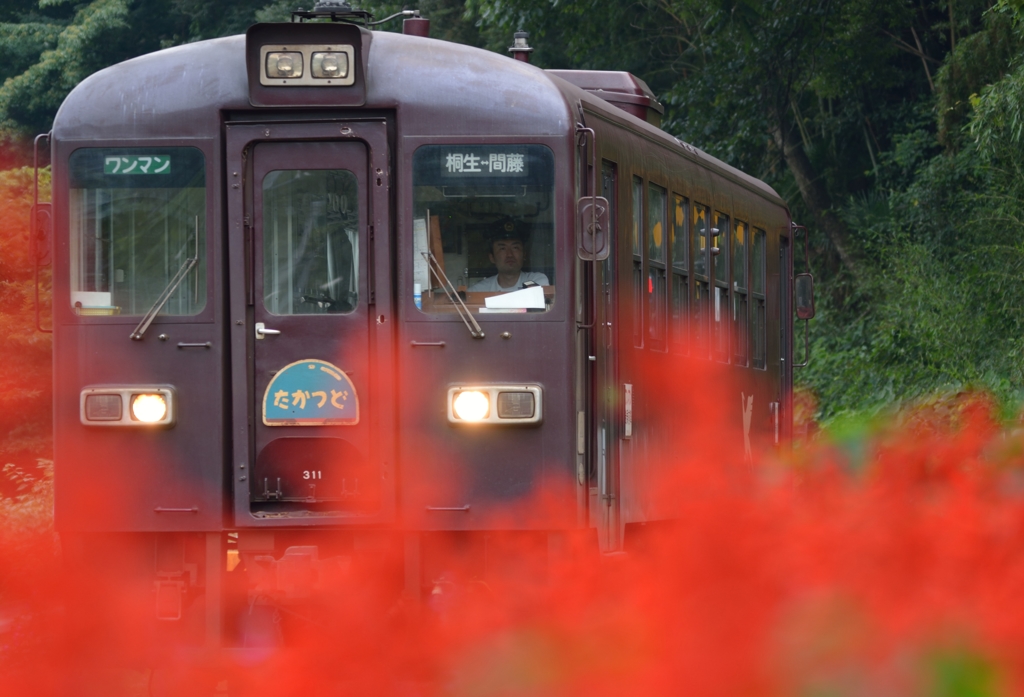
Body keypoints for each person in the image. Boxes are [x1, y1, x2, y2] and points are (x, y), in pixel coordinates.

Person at [467, 218, 549, 292]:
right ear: (492, 257)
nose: (509, 254)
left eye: (515, 248)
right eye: (502, 248)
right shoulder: (479, 291)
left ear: (524, 254)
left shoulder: (537, 281)